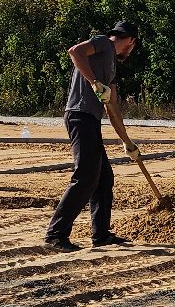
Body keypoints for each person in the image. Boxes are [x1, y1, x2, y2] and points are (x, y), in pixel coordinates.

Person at [45, 20, 139, 251]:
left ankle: (101, 235)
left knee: (104, 178)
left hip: (90, 118)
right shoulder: (104, 43)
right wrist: (94, 82)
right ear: (131, 42)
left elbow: (113, 107)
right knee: (86, 176)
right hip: (79, 115)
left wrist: (127, 142)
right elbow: (75, 51)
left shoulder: (112, 66)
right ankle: (56, 234)